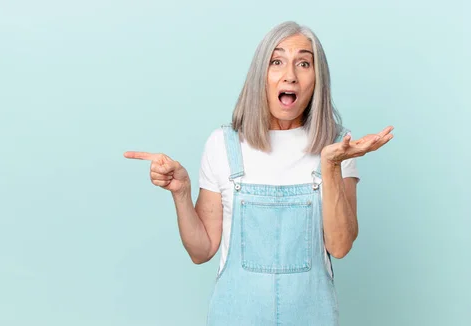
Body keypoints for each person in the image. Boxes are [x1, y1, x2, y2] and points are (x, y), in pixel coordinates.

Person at [124, 21, 393, 325]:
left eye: (304, 63)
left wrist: (330, 165)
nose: (290, 75)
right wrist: (182, 193)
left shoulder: (338, 146)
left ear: (317, 79)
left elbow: (340, 246)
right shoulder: (223, 145)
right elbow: (201, 251)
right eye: (276, 62)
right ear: (260, 76)